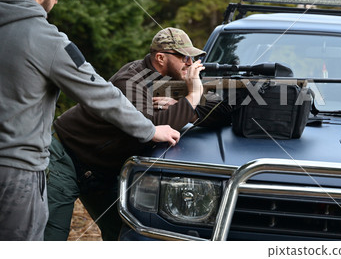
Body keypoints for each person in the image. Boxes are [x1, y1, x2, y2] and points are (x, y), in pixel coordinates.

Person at [0, 0, 180, 241]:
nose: (56, 1)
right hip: (17, 172)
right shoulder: (45, 39)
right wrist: (149, 129)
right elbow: (98, 93)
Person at [45, 27, 232, 241]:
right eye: (184, 57)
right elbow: (150, 128)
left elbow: (213, 111)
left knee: (124, 234)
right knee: (51, 236)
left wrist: (180, 104)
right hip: (66, 158)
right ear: (161, 58)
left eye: (191, 57)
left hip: (101, 172)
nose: (190, 63)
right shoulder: (130, 80)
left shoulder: (160, 78)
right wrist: (193, 94)